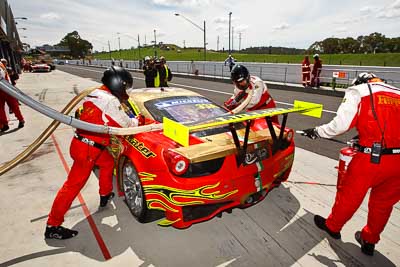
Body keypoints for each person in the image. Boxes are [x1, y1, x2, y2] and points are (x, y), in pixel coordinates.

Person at [300, 72, 400, 256]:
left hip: (371, 159)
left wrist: (317, 131)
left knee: (349, 195)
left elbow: (340, 125)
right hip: (398, 163)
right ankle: (369, 240)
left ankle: (333, 226)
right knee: (383, 205)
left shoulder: (359, 91)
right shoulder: (397, 93)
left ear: (361, 81)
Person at [45, 66, 144, 240]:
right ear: (118, 84)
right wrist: (138, 120)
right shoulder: (109, 100)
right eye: (125, 86)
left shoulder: (94, 94)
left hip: (84, 143)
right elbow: (126, 125)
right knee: (72, 185)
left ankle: (105, 193)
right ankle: (53, 225)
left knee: (107, 163)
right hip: (89, 148)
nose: (126, 90)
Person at [0, 58, 24, 132]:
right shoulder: (2, 66)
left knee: (14, 106)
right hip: (3, 89)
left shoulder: (3, 67)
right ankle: (4, 124)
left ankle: (21, 120)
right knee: (1, 109)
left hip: (8, 89)